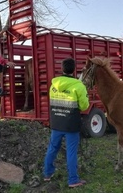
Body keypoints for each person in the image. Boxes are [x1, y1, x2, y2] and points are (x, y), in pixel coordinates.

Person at [43, 58, 89, 188]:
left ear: (61, 69)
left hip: (56, 123)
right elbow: (84, 106)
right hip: (71, 125)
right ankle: (73, 180)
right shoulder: (78, 86)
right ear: (74, 70)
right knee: (71, 152)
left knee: (52, 148)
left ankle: (47, 173)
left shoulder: (53, 85)